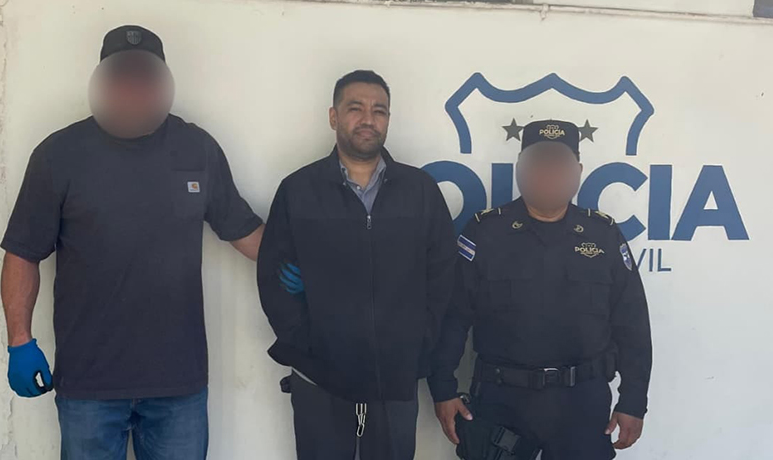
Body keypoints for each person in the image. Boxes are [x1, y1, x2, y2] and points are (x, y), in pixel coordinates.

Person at [0, 25, 263, 460]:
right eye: (122, 78)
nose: (133, 89)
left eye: (145, 78)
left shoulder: (196, 148)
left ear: (162, 84)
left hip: (178, 383)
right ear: (102, 83)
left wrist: (302, 264)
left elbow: (242, 230)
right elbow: (23, 252)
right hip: (89, 383)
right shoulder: (59, 154)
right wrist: (20, 342)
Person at [257, 70, 457, 460]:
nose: (368, 119)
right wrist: (311, 348)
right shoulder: (298, 190)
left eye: (379, 110)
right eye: (356, 108)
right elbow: (274, 281)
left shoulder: (420, 191)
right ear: (333, 117)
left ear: (388, 120)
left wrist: (416, 344)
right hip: (319, 378)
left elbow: (442, 278)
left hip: (395, 378)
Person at [429, 120, 652, 460]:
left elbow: (631, 323)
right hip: (501, 402)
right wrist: (442, 388)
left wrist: (633, 400)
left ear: (578, 171)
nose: (549, 174)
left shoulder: (603, 235)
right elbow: (452, 316)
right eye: (538, 163)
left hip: (582, 404)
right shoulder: (486, 232)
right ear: (520, 169)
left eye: (559, 164)